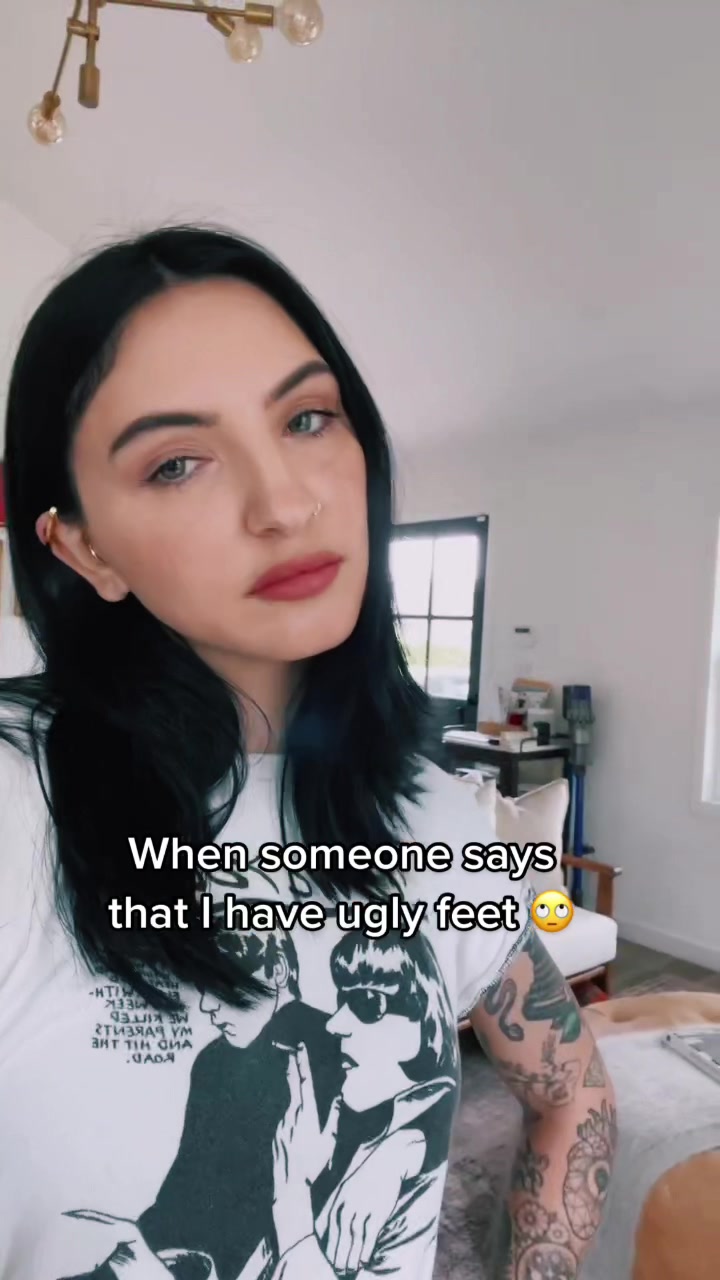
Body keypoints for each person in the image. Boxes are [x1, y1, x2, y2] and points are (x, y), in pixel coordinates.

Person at [0, 225, 615, 1280]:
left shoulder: (430, 811)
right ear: (85, 546)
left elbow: (574, 1092)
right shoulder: (21, 804)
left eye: (306, 418)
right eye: (177, 462)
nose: (285, 502)